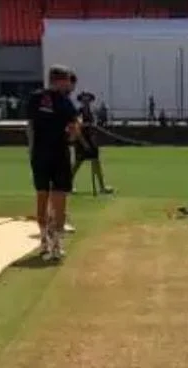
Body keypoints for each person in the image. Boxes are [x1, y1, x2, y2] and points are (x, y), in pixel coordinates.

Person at [26, 65, 79, 261]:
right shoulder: (64, 101)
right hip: (58, 153)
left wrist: (32, 150)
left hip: (40, 153)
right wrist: (71, 138)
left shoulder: (35, 98)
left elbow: (30, 127)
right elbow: (74, 128)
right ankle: (56, 243)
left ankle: (44, 242)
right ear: (60, 81)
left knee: (42, 195)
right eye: (66, 81)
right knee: (59, 198)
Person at [71, 91, 112, 196]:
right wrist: (84, 143)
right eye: (84, 99)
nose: (86, 101)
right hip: (81, 140)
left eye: (88, 99)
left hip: (91, 140)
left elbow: (93, 127)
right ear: (81, 101)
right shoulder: (79, 112)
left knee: (96, 163)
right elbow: (77, 127)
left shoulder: (92, 112)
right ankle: (67, 185)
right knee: (77, 164)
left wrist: (94, 139)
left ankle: (102, 187)